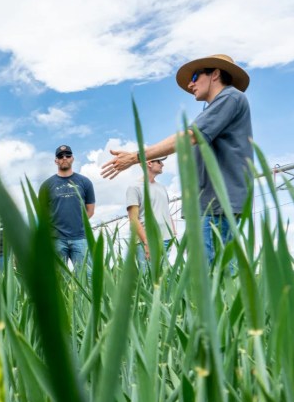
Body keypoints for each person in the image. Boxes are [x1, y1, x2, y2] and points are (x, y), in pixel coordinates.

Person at [101, 54, 252, 265]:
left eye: (196, 76)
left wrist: (136, 157)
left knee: (213, 275)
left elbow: (190, 136)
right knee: (211, 275)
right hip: (209, 204)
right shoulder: (213, 108)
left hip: (218, 204)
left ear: (215, 74)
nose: (190, 84)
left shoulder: (230, 97)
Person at [38, 145, 95, 275]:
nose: (64, 158)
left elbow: (90, 210)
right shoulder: (46, 185)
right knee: (59, 280)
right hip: (56, 239)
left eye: (67, 155)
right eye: (60, 156)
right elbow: (42, 214)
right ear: (56, 160)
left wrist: (78, 224)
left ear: (72, 159)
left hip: (80, 238)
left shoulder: (85, 182)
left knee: (87, 277)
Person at [126, 158, 175, 268]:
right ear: (149, 163)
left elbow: (166, 210)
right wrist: (146, 242)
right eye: (159, 162)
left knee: (164, 281)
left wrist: (173, 231)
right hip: (147, 241)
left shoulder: (162, 187)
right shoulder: (134, 188)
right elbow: (133, 219)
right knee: (149, 281)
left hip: (166, 240)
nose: (162, 164)